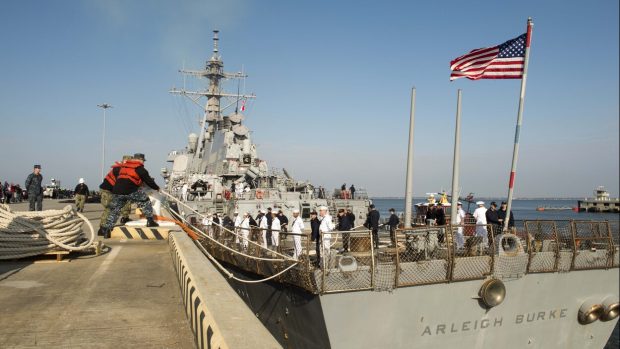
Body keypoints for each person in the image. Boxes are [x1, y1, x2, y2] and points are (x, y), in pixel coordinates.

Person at [100, 153, 160, 238]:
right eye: (143, 160)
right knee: (145, 201)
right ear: (140, 160)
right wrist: (157, 188)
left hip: (117, 191)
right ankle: (150, 221)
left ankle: (107, 231)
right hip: (131, 191)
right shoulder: (140, 169)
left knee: (114, 211)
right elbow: (149, 181)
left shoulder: (123, 167)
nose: (143, 162)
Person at [98, 156, 132, 235]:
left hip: (111, 191)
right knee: (110, 208)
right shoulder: (118, 169)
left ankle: (105, 227)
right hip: (107, 191)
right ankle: (102, 228)